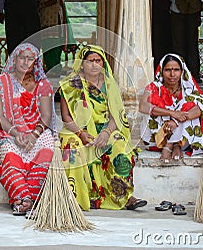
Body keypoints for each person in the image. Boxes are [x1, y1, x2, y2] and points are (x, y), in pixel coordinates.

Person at [59, 45, 146, 211]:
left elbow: (116, 116)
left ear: (103, 63)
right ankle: (78, 198)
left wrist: (106, 133)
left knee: (121, 148)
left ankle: (125, 197)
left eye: (98, 60)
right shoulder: (70, 85)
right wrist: (81, 133)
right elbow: (66, 117)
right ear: (81, 64)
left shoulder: (110, 85)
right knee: (72, 148)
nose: (94, 64)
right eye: (90, 61)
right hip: (76, 130)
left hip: (106, 129)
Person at [0, 43, 56, 216]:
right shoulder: (3, 82)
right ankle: (23, 198)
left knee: (47, 144)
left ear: (35, 63)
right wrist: (16, 132)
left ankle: (32, 199)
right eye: (22, 57)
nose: (25, 62)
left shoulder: (43, 85)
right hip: (9, 130)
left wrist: (34, 135)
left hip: (36, 131)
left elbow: (46, 116)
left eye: (30, 59)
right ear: (14, 59)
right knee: (9, 150)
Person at [139, 54, 203, 164]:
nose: (172, 74)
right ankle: (173, 144)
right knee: (150, 110)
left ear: (182, 71)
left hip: (182, 137)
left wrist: (175, 121)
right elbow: (142, 106)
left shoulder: (188, 89)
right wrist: (172, 113)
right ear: (161, 71)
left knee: (192, 110)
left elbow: (199, 110)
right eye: (168, 70)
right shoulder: (153, 87)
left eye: (176, 70)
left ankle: (172, 144)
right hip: (158, 139)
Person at [38, 0, 73, 75]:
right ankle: (49, 67)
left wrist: (41, 5)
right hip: (44, 18)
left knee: (54, 42)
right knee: (46, 43)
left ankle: (55, 69)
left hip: (54, 17)